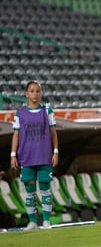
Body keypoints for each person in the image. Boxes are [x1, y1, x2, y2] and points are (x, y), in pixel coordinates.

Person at [10, 80, 59, 230]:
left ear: (41, 93)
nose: (35, 94)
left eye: (37, 91)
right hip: (26, 157)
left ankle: (46, 222)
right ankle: (32, 222)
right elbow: (16, 135)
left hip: (44, 156)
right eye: (32, 91)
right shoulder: (20, 113)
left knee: (45, 190)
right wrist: (13, 155)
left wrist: (55, 151)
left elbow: (53, 133)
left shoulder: (47, 111)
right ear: (26, 94)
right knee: (30, 192)